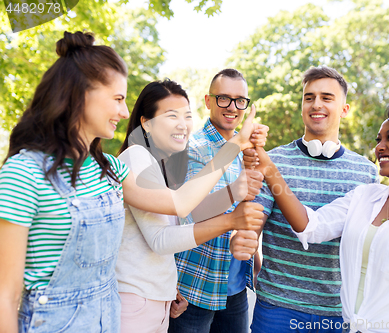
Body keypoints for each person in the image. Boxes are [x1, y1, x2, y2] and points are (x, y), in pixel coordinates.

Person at [0, 31, 264, 333]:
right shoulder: (24, 173)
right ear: (81, 95)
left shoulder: (110, 169)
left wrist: (166, 284)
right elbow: (5, 297)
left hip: (111, 314)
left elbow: (181, 210)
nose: (124, 111)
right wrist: (234, 150)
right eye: (117, 98)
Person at [243, 98, 389, 333]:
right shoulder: (364, 197)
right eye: (379, 139)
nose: (379, 147)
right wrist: (269, 168)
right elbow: (310, 226)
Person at [232, 66, 379, 333]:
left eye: (326, 97)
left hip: (336, 312)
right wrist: (245, 237)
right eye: (309, 97)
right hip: (277, 307)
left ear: (344, 109)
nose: (316, 104)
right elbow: (254, 221)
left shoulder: (366, 171)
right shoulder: (273, 159)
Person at [116, 79, 267, 333]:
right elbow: (171, 224)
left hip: (158, 301)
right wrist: (236, 144)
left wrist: (169, 286)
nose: (182, 124)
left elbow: (172, 229)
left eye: (186, 115)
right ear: (146, 123)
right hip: (136, 304)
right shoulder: (136, 157)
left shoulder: (160, 165)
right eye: (171, 115)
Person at [169, 68, 261, 333]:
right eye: (224, 98)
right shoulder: (190, 148)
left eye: (240, 100)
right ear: (208, 101)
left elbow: (249, 210)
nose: (232, 107)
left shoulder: (245, 151)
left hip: (234, 290)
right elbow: (191, 213)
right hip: (193, 288)